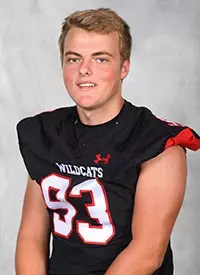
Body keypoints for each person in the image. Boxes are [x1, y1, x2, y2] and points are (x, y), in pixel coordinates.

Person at [15, 8, 200, 275]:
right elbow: (31, 236)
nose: (84, 71)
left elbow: (148, 253)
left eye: (100, 59)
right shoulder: (45, 133)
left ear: (124, 67)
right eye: (73, 59)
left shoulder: (157, 142)